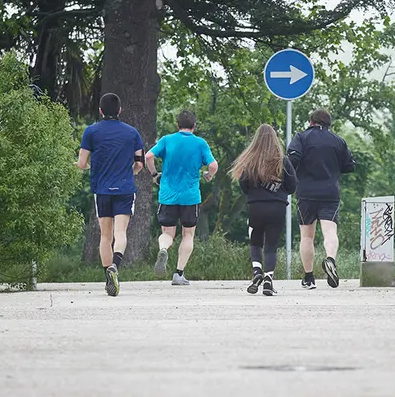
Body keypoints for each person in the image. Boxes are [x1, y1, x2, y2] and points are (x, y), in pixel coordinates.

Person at [76, 93, 144, 297]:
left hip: (102, 190)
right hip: (125, 189)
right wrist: (130, 172)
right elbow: (139, 163)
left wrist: (89, 167)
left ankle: (108, 277)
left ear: (100, 111)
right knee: (120, 233)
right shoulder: (132, 133)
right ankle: (116, 265)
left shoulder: (91, 132)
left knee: (105, 236)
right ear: (120, 110)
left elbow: (81, 163)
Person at [145, 110, 218, 285]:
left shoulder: (167, 140)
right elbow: (213, 165)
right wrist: (208, 175)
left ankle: (163, 248)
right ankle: (178, 274)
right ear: (194, 126)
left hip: (168, 196)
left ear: (177, 125)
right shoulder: (200, 143)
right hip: (190, 197)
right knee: (188, 234)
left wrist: (154, 174)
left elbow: (148, 156)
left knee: (167, 233)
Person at [287, 109, 355, 289]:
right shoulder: (338, 141)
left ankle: (309, 278)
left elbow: (292, 160)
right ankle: (330, 259)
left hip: (306, 193)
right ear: (329, 124)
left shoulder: (301, 137)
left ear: (311, 122)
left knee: (306, 236)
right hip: (330, 192)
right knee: (330, 231)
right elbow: (349, 166)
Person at [230, 124, 297, 296]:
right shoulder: (283, 161)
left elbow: (244, 185)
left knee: (255, 242)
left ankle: (257, 272)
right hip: (277, 208)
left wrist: (255, 193)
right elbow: (292, 187)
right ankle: (268, 279)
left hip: (256, 207)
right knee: (271, 246)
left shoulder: (250, 161)